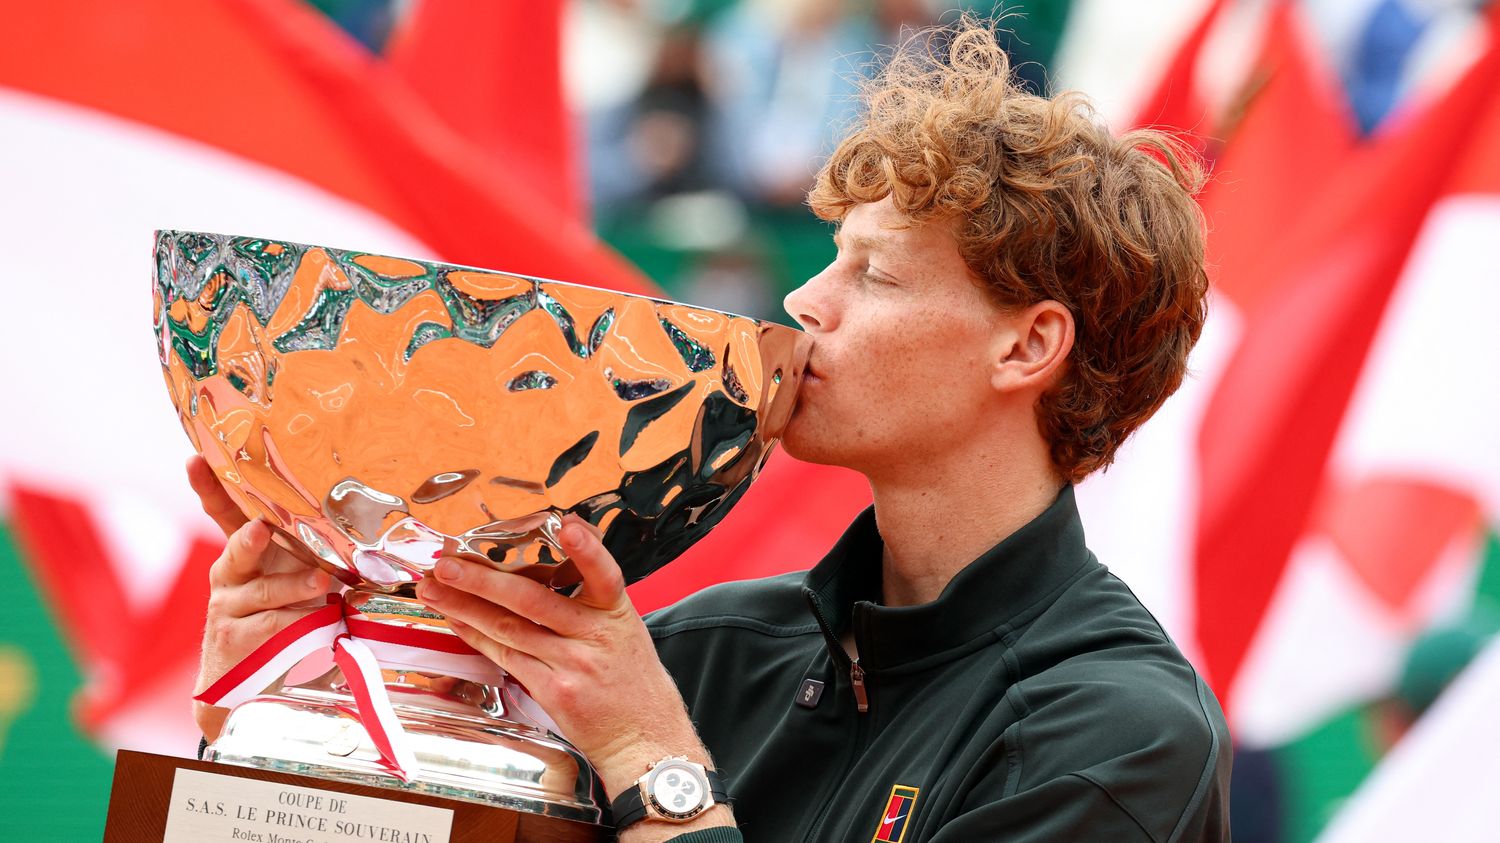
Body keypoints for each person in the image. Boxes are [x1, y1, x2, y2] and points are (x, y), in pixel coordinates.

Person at [191, 19, 1230, 843]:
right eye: (829, 258)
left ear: (1027, 345)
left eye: (875, 274)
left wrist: (654, 764)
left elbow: (650, 755)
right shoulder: (703, 647)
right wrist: (275, 722)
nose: (806, 301)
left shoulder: (1119, 733)